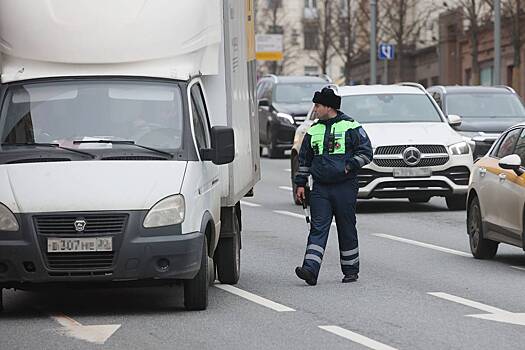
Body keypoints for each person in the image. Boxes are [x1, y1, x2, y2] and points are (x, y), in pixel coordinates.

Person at [294, 87, 373, 285]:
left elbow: (366, 152)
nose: (315, 109)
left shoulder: (351, 126)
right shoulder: (314, 130)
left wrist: (349, 166)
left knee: (346, 227)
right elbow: (304, 160)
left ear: (329, 107)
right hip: (320, 188)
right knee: (318, 228)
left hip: (345, 186)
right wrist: (301, 184)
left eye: (318, 105)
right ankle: (310, 270)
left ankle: (350, 270)